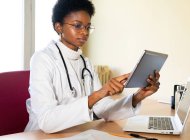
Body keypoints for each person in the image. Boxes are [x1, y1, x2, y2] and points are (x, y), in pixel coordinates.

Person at [25, 0, 160, 133]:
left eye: (87, 27)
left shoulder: (86, 63)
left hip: (78, 133)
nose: (84, 32)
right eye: (77, 26)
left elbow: (102, 109)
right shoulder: (42, 59)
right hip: (40, 135)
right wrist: (98, 94)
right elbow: (46, 121)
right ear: (58, 27)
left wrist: (137, 97)